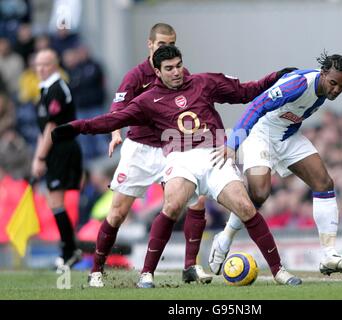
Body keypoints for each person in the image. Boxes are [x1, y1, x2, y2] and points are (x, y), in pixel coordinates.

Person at [52, 44, 302, 287]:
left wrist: (276, 76)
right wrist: (75, 127)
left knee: (246, 207)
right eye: (169, 68)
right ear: (157, 72)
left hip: (215, 154)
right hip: (180, 158)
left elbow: (247, 92)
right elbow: (111, 120)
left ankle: (279, 270)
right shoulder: (147, 100)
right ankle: (147, 274)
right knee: (171, 206)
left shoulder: (205, 82)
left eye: (179, 66)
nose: (176, 72)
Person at [209, 52, 342, 276]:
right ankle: (226, 236)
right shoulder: (298, 84)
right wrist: (233, 143)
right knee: (259, 194)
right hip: (261, 135)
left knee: (324, 182)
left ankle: (329, 255)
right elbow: (256, 106)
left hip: (287, 137)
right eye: (333, 83)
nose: (336, 90)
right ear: (323, 73)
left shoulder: (324, 89)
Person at [86, 24, 212, 288]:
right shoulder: (136, 76)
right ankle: (96, 269)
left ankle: (190, 266)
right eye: (161, 43)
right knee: (118, 212)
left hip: (172, 149)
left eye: (172, 43)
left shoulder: (180, 74)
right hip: (140, 149)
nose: (166, 48)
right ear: (149, 44)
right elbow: (118, 108)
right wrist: (115, 133)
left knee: (196, 202)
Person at [31, 48, 82, 267]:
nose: (41, 68)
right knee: (54, 202)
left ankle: (69, 250)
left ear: (55, 65)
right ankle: (69, 249)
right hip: (52, 149)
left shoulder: (57, 89)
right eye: (38, 64)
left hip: (62, 149)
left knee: (56, 200)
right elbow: (43, 130)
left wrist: (40, 158)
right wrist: (38, 156)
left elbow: (52, 126)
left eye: (45, 64)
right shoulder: (44, 89)